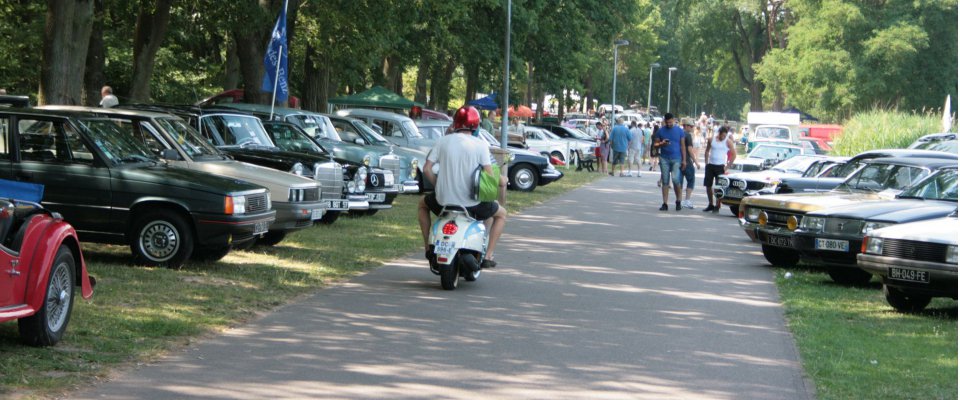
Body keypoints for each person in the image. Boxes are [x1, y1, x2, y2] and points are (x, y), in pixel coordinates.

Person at [418, 106, 507, 269]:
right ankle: (488, 255)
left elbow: (426, 169)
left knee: (422, 205)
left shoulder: (442, 142)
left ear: (456, 123)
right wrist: (503, 180)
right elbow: (490, 176)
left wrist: (438, 185)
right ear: (476, 125)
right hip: (472, 205)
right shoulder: (480, 145)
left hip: (443, 202)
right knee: (501, 214)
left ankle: (426, 247)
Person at [652, 113, 686, 211]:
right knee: (665, 181)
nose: (669, 124)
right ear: (664, 121)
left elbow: (683, 146)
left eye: (670, 122)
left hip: (676, 158)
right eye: (667, 122)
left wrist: (684, 160)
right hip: (664, 158)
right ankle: (665, 203)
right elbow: (655, 145)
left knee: (675, 179)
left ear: (674, 120)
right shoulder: (660, 131)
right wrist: (661, 144)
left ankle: (678, 200)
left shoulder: (680, 131)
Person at [702, 125, 737, 212]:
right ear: (719, 133)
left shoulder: (728, 141)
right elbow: (707, 151)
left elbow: (734, 154)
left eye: (725, 136)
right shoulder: (711, 140)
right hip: (711, 165)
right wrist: (706, 163)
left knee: (719, 187)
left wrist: (727, 166)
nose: (724, 137)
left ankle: (717, 205)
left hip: (720, 166)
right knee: (708, 185)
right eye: (723, 135)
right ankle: (710, 204)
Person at [681, 121, 701, 209]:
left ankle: (679, 200)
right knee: (691, 180)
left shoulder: (678, 133)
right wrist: (696, 162)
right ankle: (687, 200)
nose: (692, 128)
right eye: (691, 126)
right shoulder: (687, 135)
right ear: (686, 126)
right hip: (687, 162)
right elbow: (689, 149)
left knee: (679, 181)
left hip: (678, 160)